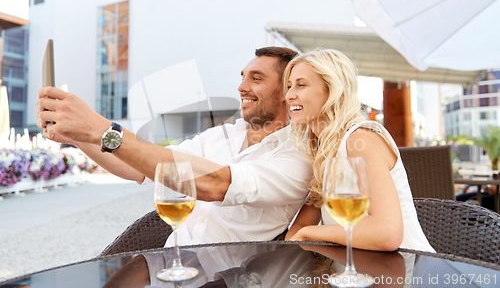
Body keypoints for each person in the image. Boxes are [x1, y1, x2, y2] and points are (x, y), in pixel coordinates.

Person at [36, 47, 312, 246]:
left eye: (256, 78)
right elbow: (138, 167)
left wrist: (101, 128)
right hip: (173, 263)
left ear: (287, 91)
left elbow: (216, 184)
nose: (241, 86)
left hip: (228, 277)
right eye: (242, 76)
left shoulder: (297, 157)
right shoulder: (221, 135)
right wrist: (80, 137)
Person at [282, 49, 434, 252]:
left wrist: (311, 234)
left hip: (407, 272)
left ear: (333, 91)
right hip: (360, 272)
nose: (289, 95)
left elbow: (387, 232)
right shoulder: (324, 151)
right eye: (290, 86)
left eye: (301, 85)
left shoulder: (359, 139)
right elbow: (298, 229)